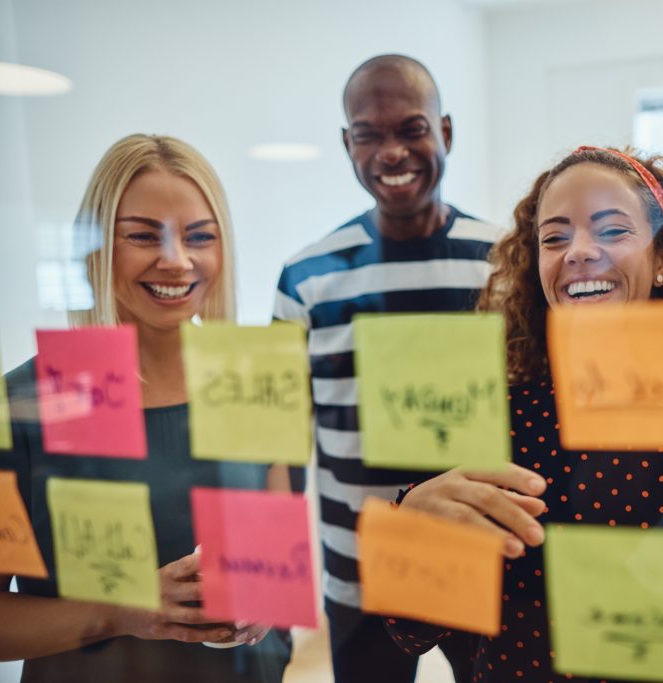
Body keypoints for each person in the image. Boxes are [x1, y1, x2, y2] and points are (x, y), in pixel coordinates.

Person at [387, 146, 663, 681]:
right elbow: (413, 632)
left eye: (612, 230)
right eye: (554, 238)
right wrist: (412, 535)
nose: (578, 251)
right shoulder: (494, 423)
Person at [0, 134, 291, 682]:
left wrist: (266, 593)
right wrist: (122, 612)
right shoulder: (15, 409)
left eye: (200, 236)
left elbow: (276, 559)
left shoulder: (253, 382)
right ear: (95, 249)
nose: (176, 260)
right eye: (143, 236)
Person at [273, 54, 504, 683]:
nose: (392, 152)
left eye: (412, 129)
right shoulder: (306, 277)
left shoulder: (504, 261)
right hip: (361, 571)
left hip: (484, 561)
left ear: (445, 132)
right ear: (347, 144)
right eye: (368, 135)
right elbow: (280, 440)